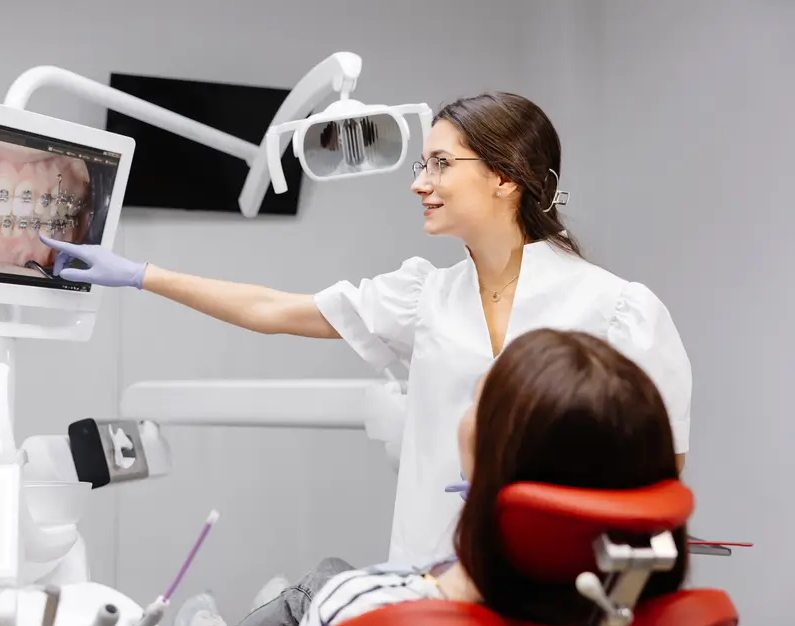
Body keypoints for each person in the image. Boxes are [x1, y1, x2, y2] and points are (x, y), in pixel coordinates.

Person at [40, 91, 692, 568]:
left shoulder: (618, 313)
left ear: (503, 177)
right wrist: (140, 273)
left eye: (440, 164)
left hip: (555, 584)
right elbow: (271, 309)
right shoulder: (424, 296)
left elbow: (660, 481)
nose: (418, 183)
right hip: (429, 573)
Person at [157, 328, 689, 626]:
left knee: (320, 588)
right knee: (324, 580)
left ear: (499, 468)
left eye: (479, 399)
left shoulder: (369, 610)